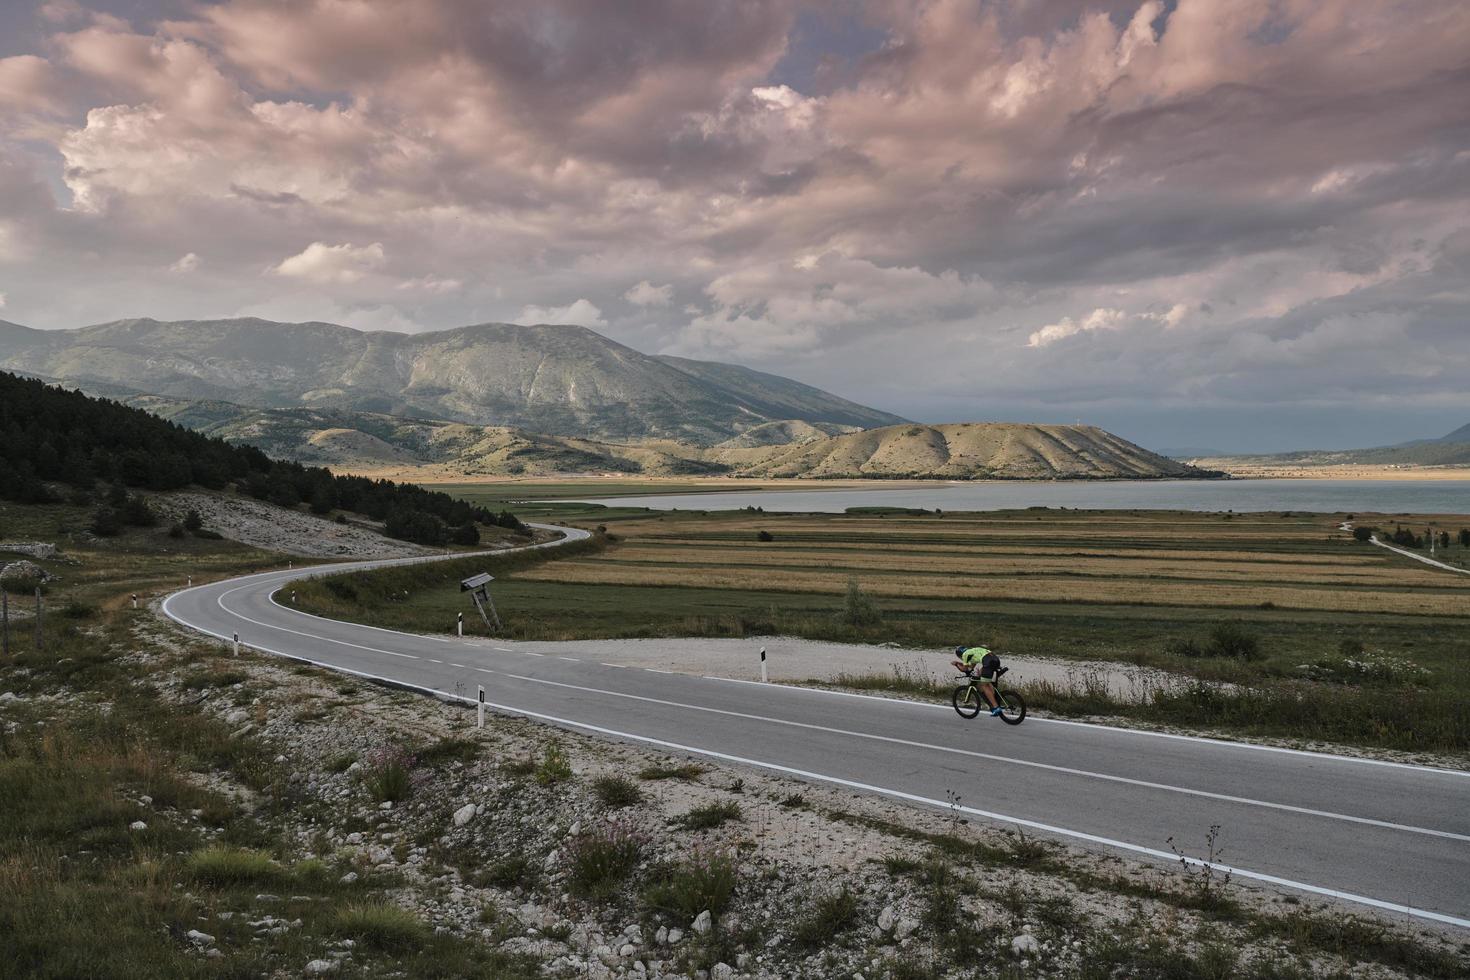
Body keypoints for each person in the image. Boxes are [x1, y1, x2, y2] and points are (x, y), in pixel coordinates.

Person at [951, 644, 1003, 716]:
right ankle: (993, 697)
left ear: (959, 655)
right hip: (995, 660)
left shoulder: (965, 655)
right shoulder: (972, 651)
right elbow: (970, 667)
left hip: (988, 663)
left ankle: (996, 707)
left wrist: (956, 664)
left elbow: (965, 669)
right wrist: (961, 664)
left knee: (984, 685)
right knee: (983, 676)